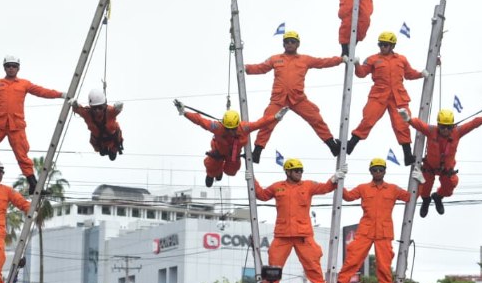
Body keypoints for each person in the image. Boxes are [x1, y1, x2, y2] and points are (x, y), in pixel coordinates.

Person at [0, 55, 67, 192]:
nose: (11, 68)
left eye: (14, 66)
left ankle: (33, 184)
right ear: (4, 68)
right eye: (8, 66)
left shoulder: (24, 84)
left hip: (16, 126)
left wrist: (60, 94)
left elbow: (41, 91)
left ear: (18, 68)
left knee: (22, 156)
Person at [245, 31, 343, 163]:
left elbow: (322, 62)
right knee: (266, 123)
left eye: (292, 41)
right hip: (278, 100)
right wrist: (245, 68)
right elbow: (261, 68)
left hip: (298, 99)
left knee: (316, 118)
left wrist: (341, 59)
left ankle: (332, 146)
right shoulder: (275, 59)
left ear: (298, 44)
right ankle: (257, 152)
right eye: (287, 42)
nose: (289, 44)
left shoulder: (305, 59)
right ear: (283, 44)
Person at [249, 159, 347, 283]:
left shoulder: (308, 185)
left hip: (303, 235)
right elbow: (261, 195)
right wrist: (252, 180)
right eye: (296, 170)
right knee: (274, 263)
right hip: (282, 235)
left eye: (301, 171)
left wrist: (334, 179)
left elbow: (325, 188)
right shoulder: (277, 186)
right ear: (288, 172)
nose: (299, 173)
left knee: (312, 262)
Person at [335, 158, 418, 283]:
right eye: (375, 170)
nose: (378, 172)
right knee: (353, 259)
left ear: (385, 171)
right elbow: (348, 196)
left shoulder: (393, 189)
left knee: (384, 265)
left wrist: (420, 182)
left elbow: (411, 197)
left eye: (381, 169)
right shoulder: (363, 188)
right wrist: (338, 180)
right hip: (365, 230)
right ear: (370, 171)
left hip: (384, 232)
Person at [346, 31, 428, 165]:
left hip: (398, 97)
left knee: (402, 124)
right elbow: (361, 74)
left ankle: (407, 156)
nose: (382, 47)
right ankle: (351, 145)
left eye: (385, 45)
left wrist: (420, 74)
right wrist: (356, 64)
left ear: (392, 46)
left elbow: (409, 74)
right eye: (381, 44)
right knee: (368, 119)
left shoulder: (401, 59)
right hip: (379, 95)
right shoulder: (373, 59)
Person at [400, 104, 482, 217]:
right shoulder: (431, 130)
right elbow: (419, 125)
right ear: (438, 125)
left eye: (449, 127)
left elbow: (472, 124)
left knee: (451, 184)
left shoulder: (457, 132)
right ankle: (426, 201)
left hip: (446, 169)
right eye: (442, 127)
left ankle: (438, 197)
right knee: (425, 186)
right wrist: (408, 119)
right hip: (430, 166)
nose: (445, 130)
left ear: (452, 126)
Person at [174, 100, 288, 187]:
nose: (231, 131)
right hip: (218, 151)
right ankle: (212, 174)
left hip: (233, 154)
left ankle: (220, 171)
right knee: (212, 165)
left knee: (231, 171)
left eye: (233, 128)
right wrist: (184, 112)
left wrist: (276, 117)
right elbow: (200, 121)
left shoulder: (244, 128)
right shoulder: (217, 127)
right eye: (228, 128)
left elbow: (260, 123)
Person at [71, 89, 124, 160]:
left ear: (104, 106)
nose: (97, 111)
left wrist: (119, 107)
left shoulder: (109, 111)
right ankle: (102, 149)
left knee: (114, 147)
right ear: (91, 107)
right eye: (94, 108)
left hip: (113, 137)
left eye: (100, 107)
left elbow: (116, 110)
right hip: (98, 139)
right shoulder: (87, 113)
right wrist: (75, 106)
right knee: (99, 148)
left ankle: (113, 150)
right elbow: (79, 110)